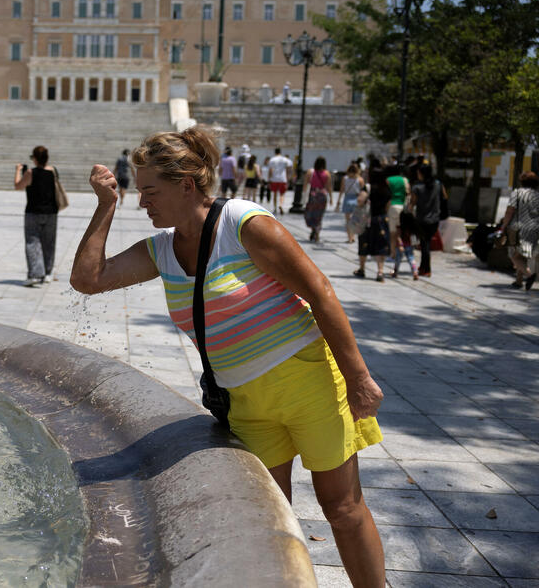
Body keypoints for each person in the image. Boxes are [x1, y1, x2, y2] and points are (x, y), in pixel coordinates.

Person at [70, 126, 385, 587]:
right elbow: (88, 278)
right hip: (245, 405)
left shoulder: (242, 224)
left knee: (341, 508)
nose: (143, 202)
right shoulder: (162, 251)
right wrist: (105, 205)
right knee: (269, 520)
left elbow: (319, 291)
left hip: (308, 383)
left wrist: (358, 377)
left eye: (150, 191)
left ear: (186, 185)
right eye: (138, 193)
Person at [14, 145, 59, 286]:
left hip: (33, 212)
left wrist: (17, 171)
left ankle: (35, 274)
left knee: (32, 242)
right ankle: (47, 273)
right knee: (49, 243)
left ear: (34, 158)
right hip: (51, 212)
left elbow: (17, 186)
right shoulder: (53, 171)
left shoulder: (30, 173)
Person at [497, 171, 539, 290]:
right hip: (535, 229)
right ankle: (518, 281)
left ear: (522, 182)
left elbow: (510, 211)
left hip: (518, 228)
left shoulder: (517, 193)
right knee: (522, 255)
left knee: (514, 256)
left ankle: (529, 275)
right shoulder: (537, 195)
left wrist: (504, 225)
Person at [355, 167, 391, 282]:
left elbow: (360, 200)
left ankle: (362, 268)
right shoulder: (387, 189)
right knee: (381, 246)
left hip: (369, 220)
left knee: (364, 243)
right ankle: (380, 272)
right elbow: (388, 205)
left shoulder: (368, 187)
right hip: (382, 219)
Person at [410, 164, 444, 278]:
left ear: (421, 174)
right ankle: (423, 267)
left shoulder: (417, 187)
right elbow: (445, 197)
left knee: (425, 245)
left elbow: (412, 203)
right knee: (426, 243)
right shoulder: (438, 184)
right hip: (435, 219)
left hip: (422, 220)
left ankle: (426, 269)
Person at [303, 157, 332, 243]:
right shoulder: (327, 173)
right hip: (322, 196)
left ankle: (313, 229)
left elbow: (305, 185)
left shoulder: (310, 172)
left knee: (309, 214)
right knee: (319, 216)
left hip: (313, 196)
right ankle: (317, 233)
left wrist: (303, 195)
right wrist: (331, 198)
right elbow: (328, 187)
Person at [385, 165, 410, 262]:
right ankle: (402, 248)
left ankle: (393, 253)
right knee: (401, 231)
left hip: (392, 206)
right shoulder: (405, 180)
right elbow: (408, 192)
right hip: (403, 207)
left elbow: (387, 195)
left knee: (392, 232)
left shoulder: (388, 180)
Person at [336, 164, 365, 243]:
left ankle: (350, 237)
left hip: (347, 199)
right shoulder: (360, 179)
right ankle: (353, 236)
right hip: (357, 199)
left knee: (348, 220)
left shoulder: (345, 178)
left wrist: (338, 201)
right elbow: (363, 192)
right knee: (355, 220)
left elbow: (341, 190)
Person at [267, 147, 293, 215]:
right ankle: (281, 205)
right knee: (282, 194)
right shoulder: (285, 159)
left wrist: (269, 179)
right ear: (280, 152)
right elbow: (288, 169)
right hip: (283, 178)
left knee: (275, 193)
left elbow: (270, 170)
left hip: (274, 179)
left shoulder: (272, 160)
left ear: (275, 152)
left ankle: (275, 208)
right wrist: (288, 179)